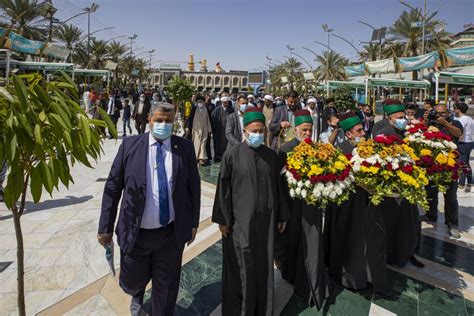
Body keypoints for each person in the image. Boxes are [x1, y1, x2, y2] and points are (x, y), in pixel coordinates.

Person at [98, 102, 201, 316]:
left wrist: (192, 223)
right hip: (136, 234)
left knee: (166, 287)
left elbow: (194, 188)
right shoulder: (130, 146)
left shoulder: (184, 148)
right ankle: (137, 293)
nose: (163, 125)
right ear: (149, 120)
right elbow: (113, 186)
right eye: (159, 120)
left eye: (168, 121)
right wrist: (105, 226)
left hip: (170, 235)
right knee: (132, 281)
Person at [212, 107, 290, 316]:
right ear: (244, 131)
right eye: (253, 131)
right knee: (242, 266)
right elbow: (223, 190)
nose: (257, 135)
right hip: (240, 224)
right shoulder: (232, 155)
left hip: (266, 223)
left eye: (261, 131)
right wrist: (223, 220)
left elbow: (278, 186)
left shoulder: (271, 156)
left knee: (264, 265)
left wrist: (282, 214)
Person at [325, 112, 388, 294]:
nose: (363, 134)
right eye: (358, 131)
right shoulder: (341, 152)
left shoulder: (370, 149)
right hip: (348, 207)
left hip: (368, 206)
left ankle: (370, 274)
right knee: (351, 241)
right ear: (349, 134)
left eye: (363, 130)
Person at [276, 110, 330, 309]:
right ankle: (290, 270)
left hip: (311, 205)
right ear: (296, 129)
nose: (307, 134)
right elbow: (279, 181)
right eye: (304, 130)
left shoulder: (318, 149)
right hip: (291, 205)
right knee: (292, 238)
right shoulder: (286, 149)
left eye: (310, 130)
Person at [373, 102, 425, 268]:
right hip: (394, 188)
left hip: (407, 184)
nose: (405, 120)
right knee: (395, 224)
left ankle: (409, 252)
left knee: (412, 222)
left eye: (405, 117)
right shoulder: (385, 134)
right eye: (400, 118)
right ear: (390, 119)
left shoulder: (406, 132)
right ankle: (394, 254)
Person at [420, 104, 463, 239]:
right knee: (430, 192)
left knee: (450, 197)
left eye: (442, 113)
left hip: (449, 167)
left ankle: (452, 223)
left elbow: (458, 133)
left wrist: (444, 122)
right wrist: (426, 121)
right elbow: (420, 134)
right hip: (432, 165)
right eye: (436, 113)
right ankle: (431, 214)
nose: (439, 115)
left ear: (448, 113)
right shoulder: (431, 123)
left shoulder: (454, 122)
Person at [454, 102, 473, 192]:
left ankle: (461, 183)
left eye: (455, 108)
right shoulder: (469, 118)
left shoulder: (461, 120)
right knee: (466, 163)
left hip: (463, 144)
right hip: (469, 142)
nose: (454, 110)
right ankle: (470, 181)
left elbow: (460, 133)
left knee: (462, 164)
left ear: (458, 109)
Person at [188, 95, 212, 165]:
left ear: (204, 102)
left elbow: (209, 120)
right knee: (196, 143)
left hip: (205, 128)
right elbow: (190, 119)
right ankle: (195, 157)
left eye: (201, 102)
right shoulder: (194, 109)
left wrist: (210, 130)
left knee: (203, 143)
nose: (200, 103)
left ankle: (202, 158)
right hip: (195, 129)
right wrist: (188, 128)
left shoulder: (206, 109)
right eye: (198, 102)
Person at [211, 96, 235, 162]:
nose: (226, 104)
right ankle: (218, 156)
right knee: (218, 143)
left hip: (228, 130)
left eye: (227, 103)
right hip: (219, 130)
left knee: (227, 143)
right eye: (224, 103)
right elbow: (213, 118)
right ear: (222, 102)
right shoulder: (217, 109)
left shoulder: (231, 109)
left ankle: (227, 156)